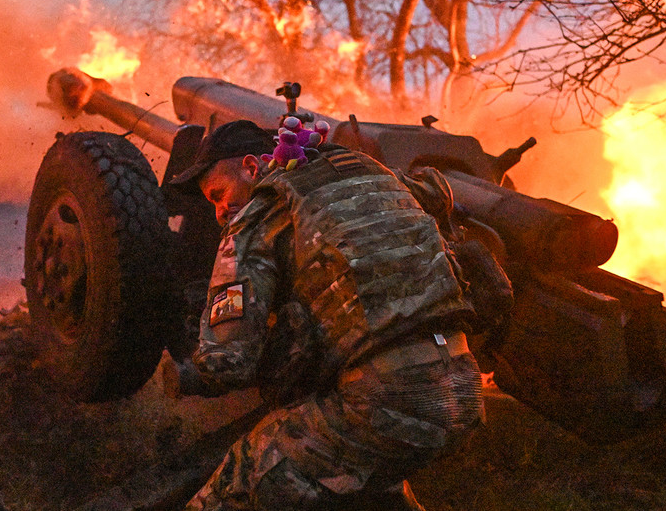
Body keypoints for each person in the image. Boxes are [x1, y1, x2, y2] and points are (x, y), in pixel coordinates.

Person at [168, 119, 489, 511]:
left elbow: (228, 362)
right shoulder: (375, 175)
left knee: (235, 486)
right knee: (370, 488)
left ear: (252, 168)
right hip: (463, 390)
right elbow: (436, 191)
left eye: (219, 195)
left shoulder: (256, 215)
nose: (220, 212)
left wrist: (187, 372)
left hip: (383, 399)